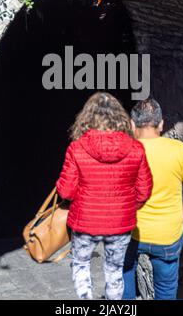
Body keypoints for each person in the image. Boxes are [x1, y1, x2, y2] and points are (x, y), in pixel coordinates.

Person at [56, 92, 153, 300]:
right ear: (120, 117)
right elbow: (144, 190)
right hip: (121, 222)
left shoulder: (77, 148)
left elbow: (65, 191)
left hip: (85, 222)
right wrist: (128, 206)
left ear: (87, 118)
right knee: (114, 271)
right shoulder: (136, 149)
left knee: (81, 265)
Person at [123, 99, 183, 300]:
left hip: (132, 233)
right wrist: (181, 218)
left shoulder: (124, 152)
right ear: (161, 124)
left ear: (132, 125)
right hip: (168, 236)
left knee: (123, 275)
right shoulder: (178, 150)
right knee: (166, 289)